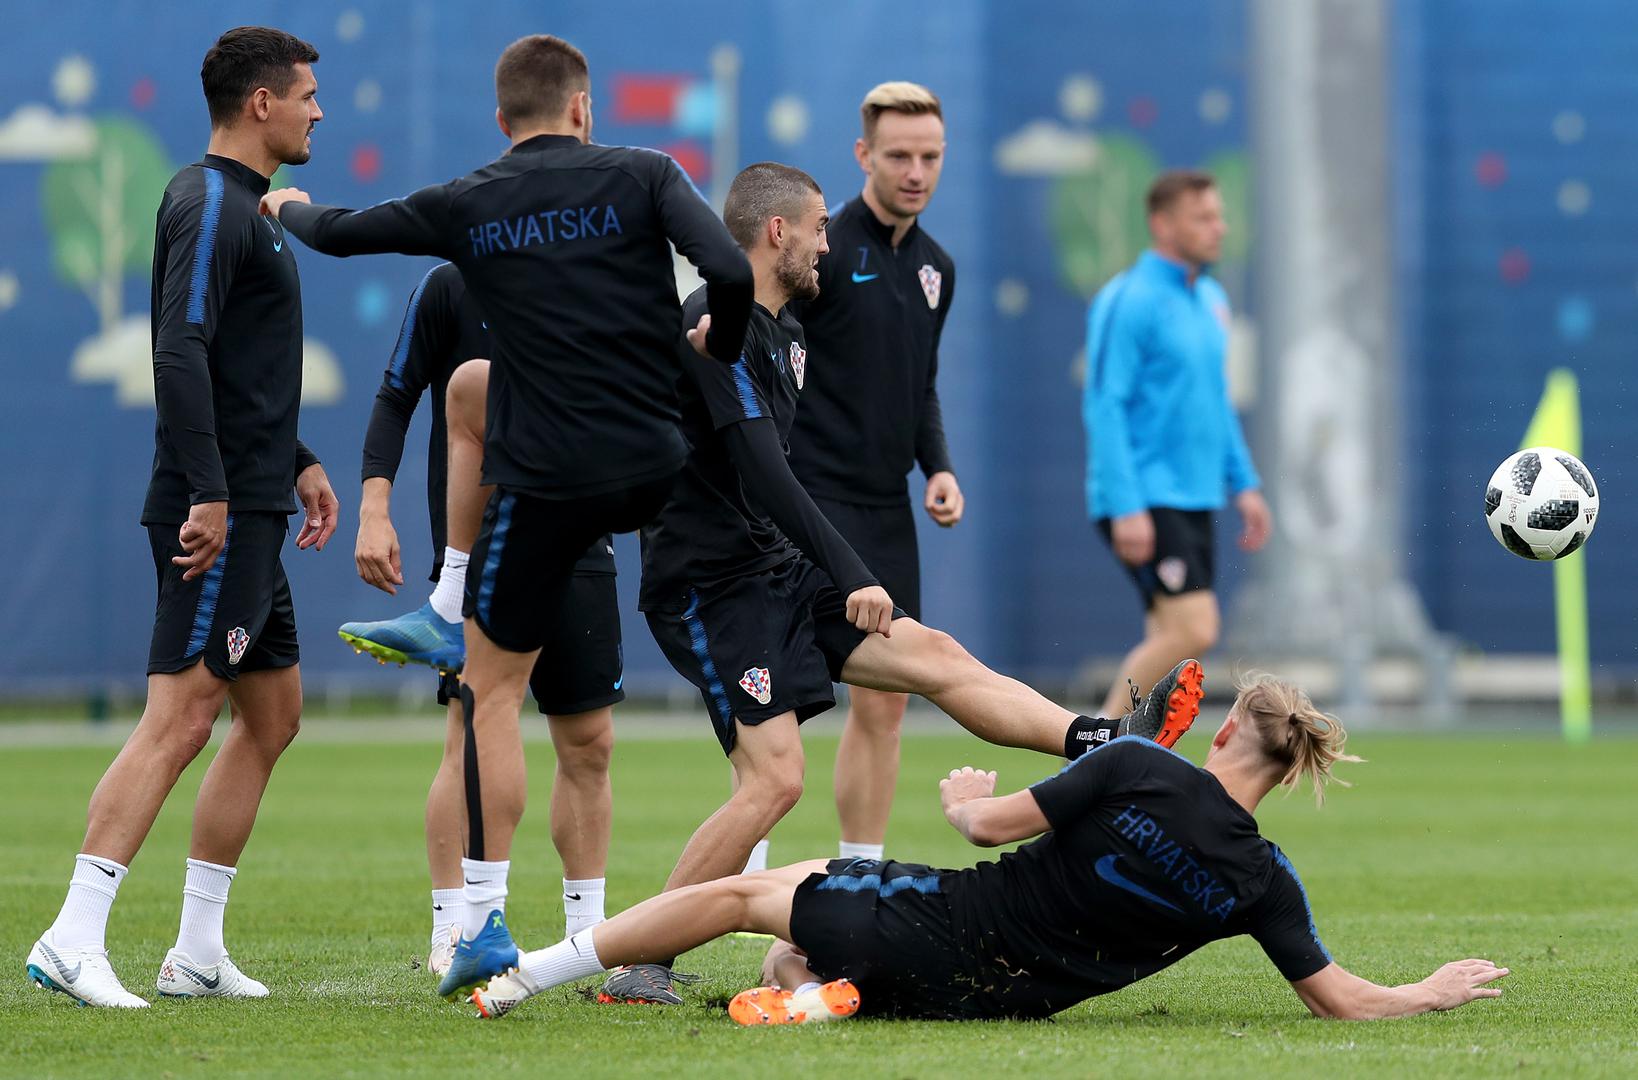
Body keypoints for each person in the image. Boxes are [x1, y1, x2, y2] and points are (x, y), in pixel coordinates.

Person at [613, 161, 1204, 1006]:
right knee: (776, 781)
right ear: (777, 232)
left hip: (776, 568)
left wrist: (911, 489)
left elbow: (792, 473)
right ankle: (642, 962)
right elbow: (764, 474)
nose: (826, 240)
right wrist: (856, 571)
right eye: (817, 226)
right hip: (711, 588)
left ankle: (1098, 741)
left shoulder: (792, 331)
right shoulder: (716, 319)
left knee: (932, 652)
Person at [260, 33, 753, 1003]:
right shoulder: (648, 173)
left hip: (547, 483)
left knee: (487, 692)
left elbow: (345, 231)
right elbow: (729, 276)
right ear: (582, 109)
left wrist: (289, 207)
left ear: (502, 122)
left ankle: (482, 918)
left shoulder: (473, 198)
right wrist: (716, 344)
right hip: (652, 468)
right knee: (574, 699)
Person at [468, 672, 1509, 1025]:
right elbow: (1335, 997)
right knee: (795, 949)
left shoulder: (1138, 766)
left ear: (1229, 732)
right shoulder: (1264, 883)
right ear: (1286, 772)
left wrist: (968, 790)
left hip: (946, 921)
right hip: (1011, 997)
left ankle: (527, 978)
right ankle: (815, 999)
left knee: (749, 894)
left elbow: (985, 825)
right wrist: (1431, 989)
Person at [25, 27, 338, 1007]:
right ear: (260, 103)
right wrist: (209, 491)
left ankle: (196, 950)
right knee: (182, 716)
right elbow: (180, 348)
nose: (318, 110)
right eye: (307, 94)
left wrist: (300, 461)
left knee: (273, 715)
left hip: (251, 501)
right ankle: (72, 936)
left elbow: (236, 370)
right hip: (218, 513)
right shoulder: (207, 201)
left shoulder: (251, 208)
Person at [335, 264, 623, 974]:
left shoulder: (597, 272)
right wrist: (374, 509)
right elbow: (396, 394)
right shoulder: (451, 284)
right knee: (469, 733)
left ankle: (589, 941)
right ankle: (455, 927)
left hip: (581, 541)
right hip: (483, 551)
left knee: (589, 744)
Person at [784, 82, 961, 866]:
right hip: (811, 503)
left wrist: (939, 468)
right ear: (863, 155)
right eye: (898, 155)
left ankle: (859, 872)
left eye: (929, 156)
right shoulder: (825, 250)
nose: (915, 170)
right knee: (776, 704)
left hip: (887, 508)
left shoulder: (936, 269)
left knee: (886, 702)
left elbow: (920, 382)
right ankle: (736, 887)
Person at [1083, 170, 1273, 721]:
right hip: (1145, 496)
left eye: (1219, 215)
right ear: (1161, 224)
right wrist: (1126, 505)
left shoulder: (1212, 298)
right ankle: (1091, 747)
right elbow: (1105, 405)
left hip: (1195, 496)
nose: (1220, 227)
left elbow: (1216, 401)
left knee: (1171, 645)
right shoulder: (1129, 300)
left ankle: (1126, 771)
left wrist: (1246, 485)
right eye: (1204, 218)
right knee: (1196, 629)